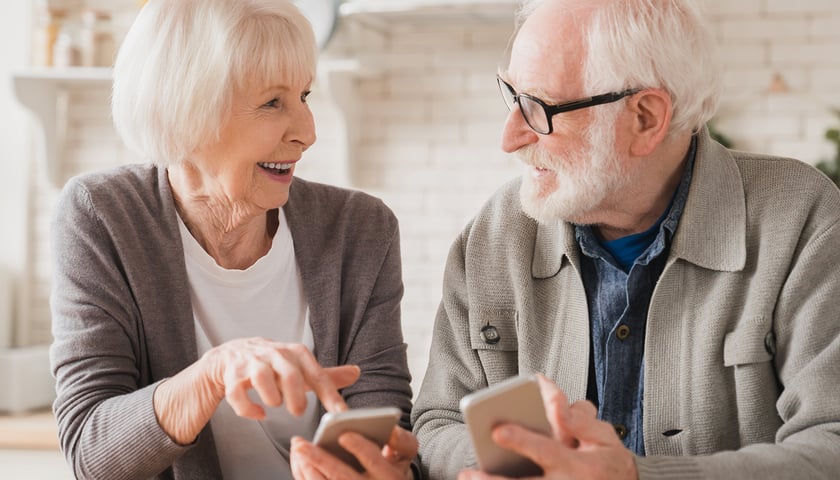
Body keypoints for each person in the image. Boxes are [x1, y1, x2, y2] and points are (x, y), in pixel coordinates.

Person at [411, 0, 840, 478]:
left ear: (645, 118)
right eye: (511, 95)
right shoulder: (493, 236)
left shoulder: (804, 218)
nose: (509, 137)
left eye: (540, 108)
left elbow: (832, 440)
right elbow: (437, 422)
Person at [48, 1, 418, 479]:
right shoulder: (102, 217)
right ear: (185, 110)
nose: (307, 133)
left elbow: (386, 424)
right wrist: (213, 373)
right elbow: (92, 454)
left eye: (305, 95)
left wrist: (388, 467)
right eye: (272, 102)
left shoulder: (360, 229)